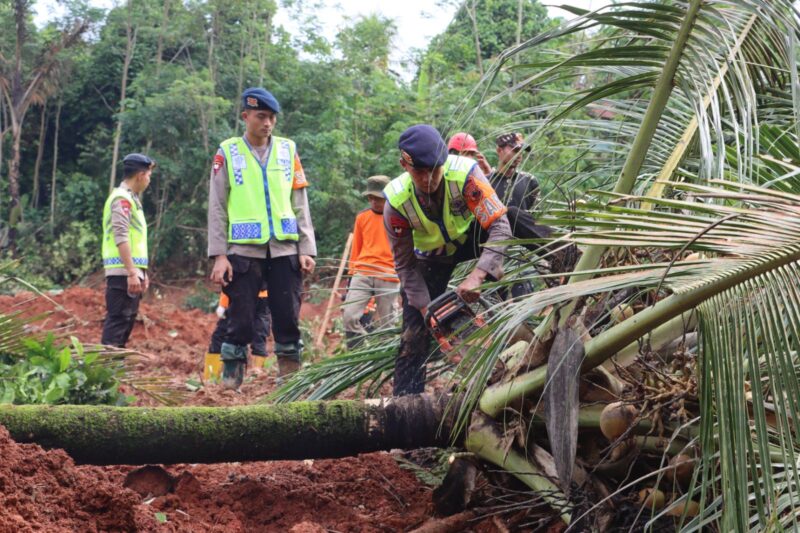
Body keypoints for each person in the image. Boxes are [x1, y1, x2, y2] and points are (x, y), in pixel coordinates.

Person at [383, 124, 514, 396]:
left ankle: (563, 260)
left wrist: (477, 276)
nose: (429, 179)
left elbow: (500, 227)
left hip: (469, 239)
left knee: (515, 217)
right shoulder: (395, 201)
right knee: (413, 336)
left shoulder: (466, 174)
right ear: (404, 166)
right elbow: (405, 266)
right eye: (420, 172)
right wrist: (427, 312)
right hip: (431, 258)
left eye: (435, 171)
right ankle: (407, 406)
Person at [207, 87, 316, 390]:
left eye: (272, 118)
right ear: (245, 116)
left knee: (287, 319)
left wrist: (306, 248)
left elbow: (300, 200)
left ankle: (290, 383)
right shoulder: (227, 152)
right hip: (243, 252)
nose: (267, 123)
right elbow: (216, 205)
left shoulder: (287, 150)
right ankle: (230, 386)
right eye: (261, 116)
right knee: (239, 321)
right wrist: (219, 255)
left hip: (285, 249)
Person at [101, 153, 155, 347]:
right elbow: (121, 236)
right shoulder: (121, 199)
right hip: (122, 273)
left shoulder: (131, 199)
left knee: (126, 321)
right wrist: (132, 272)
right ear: (140, 175)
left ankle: (115, 369)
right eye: (148, 175)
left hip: (131, 272)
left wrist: (141, 272)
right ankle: (105, 371)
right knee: (117, 322)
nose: (149, 180)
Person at [341, 175, 399, 349]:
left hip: (389, 274)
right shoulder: (362, 217)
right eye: (371, 198)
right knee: (349, 317)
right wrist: (351, 275)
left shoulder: (398, 216)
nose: (374, 202)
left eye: (378, 198)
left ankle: (382, 360)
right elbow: (356, 248)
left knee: (387, 325)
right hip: (363, 271)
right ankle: (360, 355)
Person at [205, 286, 271, 381]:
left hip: (243, 294)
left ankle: (213, 378)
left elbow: (230, 277)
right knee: (259, 333)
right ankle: (255, 376)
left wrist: (223, 303)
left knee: (226, 333)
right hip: (258, 295)